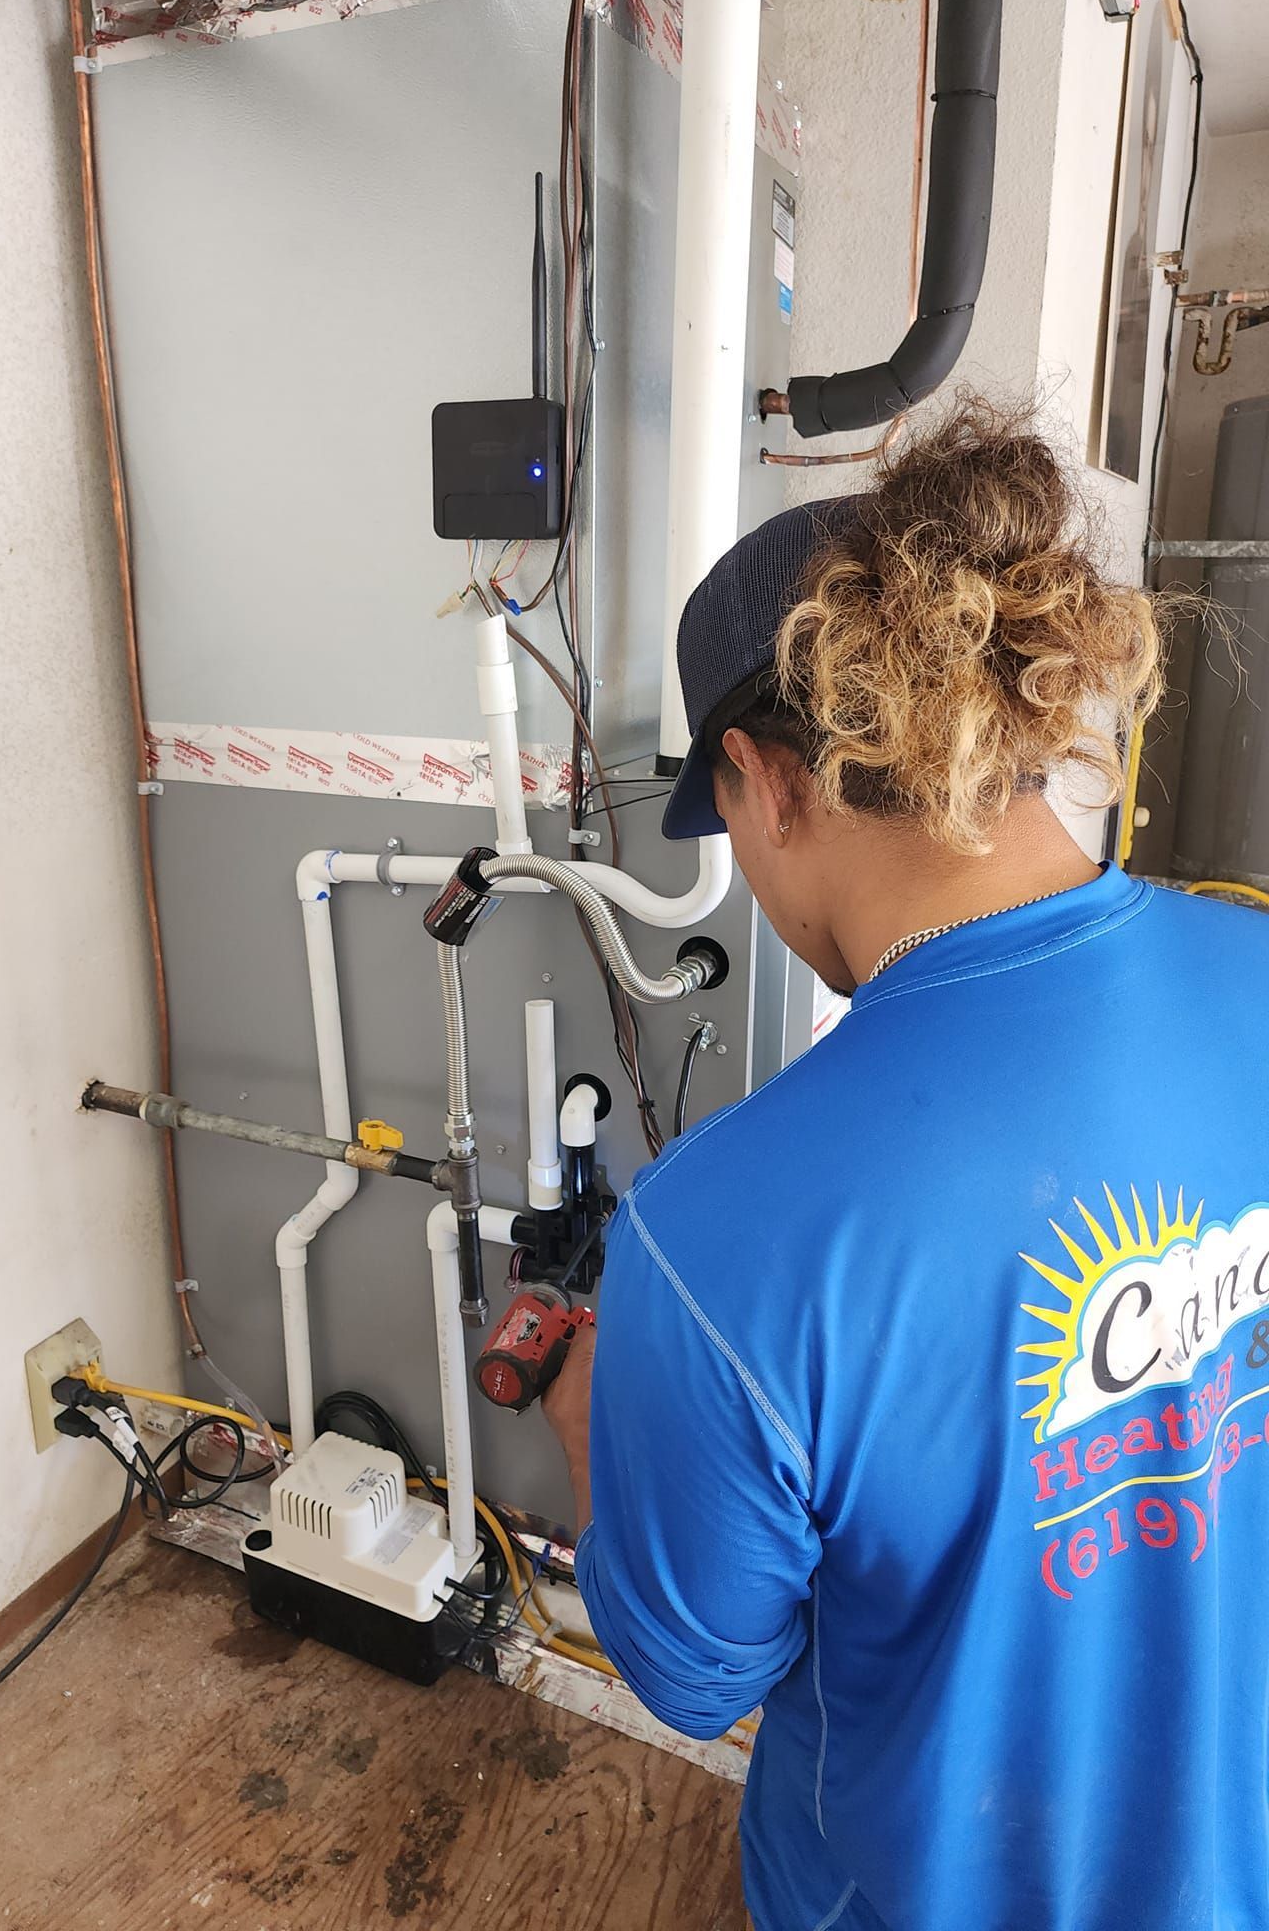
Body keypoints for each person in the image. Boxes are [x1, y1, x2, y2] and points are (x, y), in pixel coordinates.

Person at [543, 396, 1269, 1931]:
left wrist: (596, 1415)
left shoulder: (716, 1241)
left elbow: (690, 1674)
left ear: (772, 779)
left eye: (723, 810)